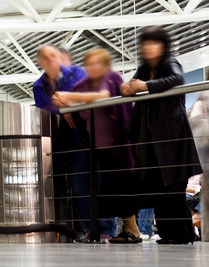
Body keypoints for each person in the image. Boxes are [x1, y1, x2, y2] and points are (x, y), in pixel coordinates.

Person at [121, 27, 202, 244]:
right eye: (145, 43)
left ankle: (182, 235)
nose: (148, 47)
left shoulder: (169, 62)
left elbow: (176, 79)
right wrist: (127, 88)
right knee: (160, 189)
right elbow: (131, 85)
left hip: (171, 141)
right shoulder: (144, 68)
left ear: (162, 45)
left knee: (174, 189)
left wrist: (145, 85)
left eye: (153, 43)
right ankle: (170, 234)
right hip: (153, 143)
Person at [52, 48, 141, 243]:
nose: (93, 67)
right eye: (90, 63)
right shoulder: (83, 85)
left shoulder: (112, 77)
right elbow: (64, 100)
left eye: (97, 63)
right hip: (96, 148)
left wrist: (70, 99)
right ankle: (98, 231)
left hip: (119, 146)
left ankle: (132, 230)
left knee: (122, 186)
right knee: (104, 190)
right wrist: (65, 106)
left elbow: (104, 96)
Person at [33, 44, 91, 240]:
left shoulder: (76, 73)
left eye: (53, 56)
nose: (50, 60)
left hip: (84, 137)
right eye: (45, 57)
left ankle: (97, 228)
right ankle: (77, 228)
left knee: (85, 182)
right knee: (67, 186)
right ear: (39, 62)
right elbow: (45, 110)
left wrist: (67, 105)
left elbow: (87, 96)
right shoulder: (39, 85)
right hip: (60, 141)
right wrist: (61, 110)